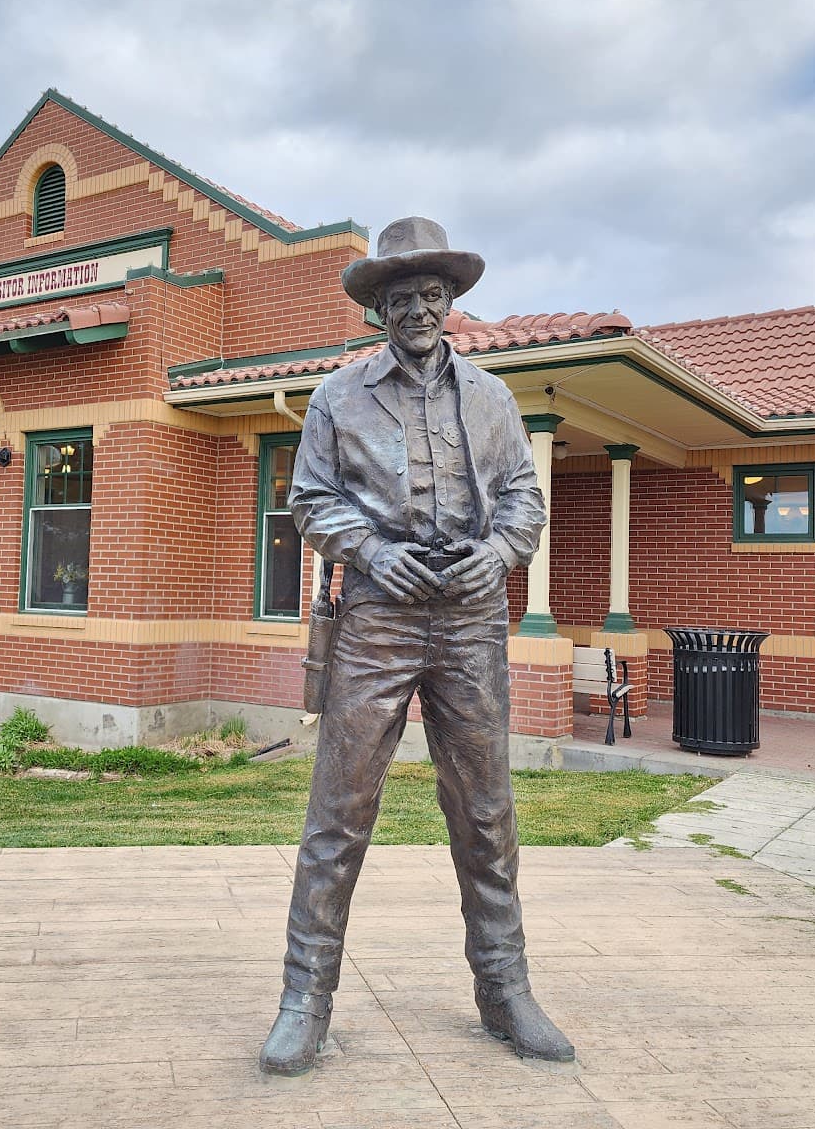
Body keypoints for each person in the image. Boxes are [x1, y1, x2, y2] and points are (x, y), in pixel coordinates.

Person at [259, 216, 575, 1076]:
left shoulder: (493, 399)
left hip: (470, 620)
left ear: (451, 303)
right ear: (381, 310)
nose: (420, 310)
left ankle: (506, 992)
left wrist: (500, 553)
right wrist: (371, 550)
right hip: (377, 617)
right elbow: (312, 502)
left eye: (433, 296)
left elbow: (522, 497)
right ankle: (305, 998)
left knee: (485, 812)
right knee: (340, 808)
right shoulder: (337, 397)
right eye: (403, 298)